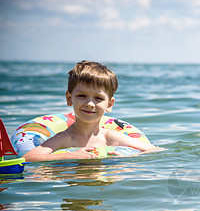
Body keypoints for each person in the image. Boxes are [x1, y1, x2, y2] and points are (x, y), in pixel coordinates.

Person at [24, 61, 161, 162]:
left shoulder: (110, 137)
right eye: (82, 96)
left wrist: (129, 156)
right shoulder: (65, 138)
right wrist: (70, 156)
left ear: (109, 104)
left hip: (105, 190)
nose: (89, 104)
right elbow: (28, 157)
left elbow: (155, 151)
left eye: (98, 98)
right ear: (69, 98)